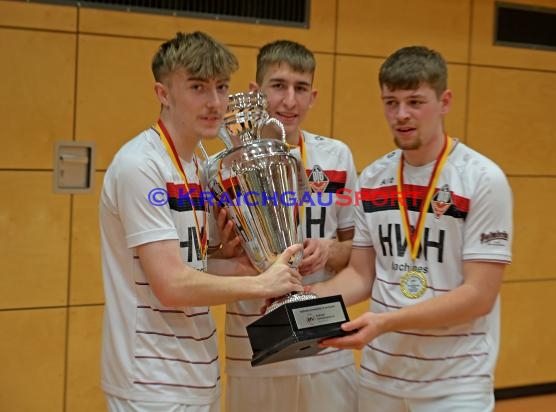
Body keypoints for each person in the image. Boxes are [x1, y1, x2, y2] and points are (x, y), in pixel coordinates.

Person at [99, 31, 304, 412]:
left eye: (221, 87)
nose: (214, 102)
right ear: (163, 93)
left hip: (198, 373)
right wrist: (261, 282)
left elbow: (191, 267)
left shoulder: (199, 166)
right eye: (197, 87)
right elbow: (171, 285)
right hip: (151, 381)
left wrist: (242, 262)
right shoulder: (140, 165)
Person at [312, 46, 513, 412]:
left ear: (445, 101)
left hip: (454, 386)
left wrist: (386, 322)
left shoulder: (483, 179)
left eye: (415, 101)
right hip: (380, 379)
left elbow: (479, 295)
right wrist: (303, 303)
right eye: (391, 102)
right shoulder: (373, 178)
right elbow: (360, 274)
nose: (401, 115)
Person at [218, 40, 359, 412]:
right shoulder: (225, 166)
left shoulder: (336, 156)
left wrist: (330, 250)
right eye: (278, 86)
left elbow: (357, 252)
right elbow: (211, 257)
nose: (289, 101)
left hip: (328, 347)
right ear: (255, 92)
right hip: (255, 349)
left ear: (313, 96)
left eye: (300, 88)